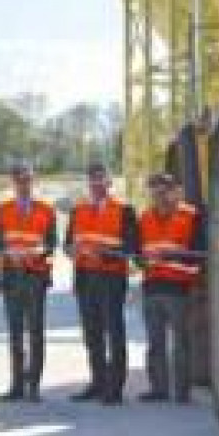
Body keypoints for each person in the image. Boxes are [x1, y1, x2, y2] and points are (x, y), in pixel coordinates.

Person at [65, 163, 139, 405]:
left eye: (101, 180)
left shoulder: (124, 210)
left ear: (109, 182)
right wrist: (71, 251)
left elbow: (131, 247)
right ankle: (98, 383)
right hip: (85, 279)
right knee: (92, 334)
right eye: (92, 180)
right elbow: (67, 244)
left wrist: (105, 253)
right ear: (89, 184)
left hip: (111, 278)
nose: (97, 184)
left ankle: (115, 388)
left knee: (114, 333)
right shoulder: (78, 210)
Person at [136, 172, 204, 403]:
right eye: (155, 192)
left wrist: (173, 256)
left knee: (181, 343)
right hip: (152, 287)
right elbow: (138, 253)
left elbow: (198, 254)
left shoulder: (191, 216)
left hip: (178, 289)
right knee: (155, 343)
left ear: (174, 191)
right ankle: (159, 389)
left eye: (164, 191)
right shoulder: (144, 218)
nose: (159, 197)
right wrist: (142, 261)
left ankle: (182, 392)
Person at [0, 164, 57, 402]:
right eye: (19, 180)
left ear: (34, 181)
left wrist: (38, 253)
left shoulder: (46, 209)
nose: (24, 185)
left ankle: (34, 386)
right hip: (11, 277)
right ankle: (17, 385)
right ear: (12, 182)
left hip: (35, 277)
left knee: (36, 332)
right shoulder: (2, 210)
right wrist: (8, 254)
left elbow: (52, 244)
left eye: (28, 180)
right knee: (15, 333)